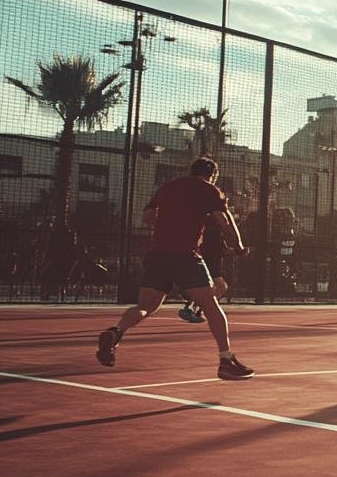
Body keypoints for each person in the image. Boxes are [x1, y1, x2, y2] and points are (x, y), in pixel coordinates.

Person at [96, 157, 253, 380]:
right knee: (210, 304)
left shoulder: (168, 188)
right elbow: (225, 222)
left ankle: (115, 332)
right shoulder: (210, 190)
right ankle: (226, 360)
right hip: (185, 256)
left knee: (145, 306)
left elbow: (148, 217)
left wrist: (171, 218)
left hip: (157, 255)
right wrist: (238, 247)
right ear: (213, 175)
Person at [178, 207, 229, 324]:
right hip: (209, 259)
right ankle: (193, 309)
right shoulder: (213, 224)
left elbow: (220, 245)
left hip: (209, 258)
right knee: (220, 287)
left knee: (209, 288)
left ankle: (193, 308)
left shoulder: (213, 225)